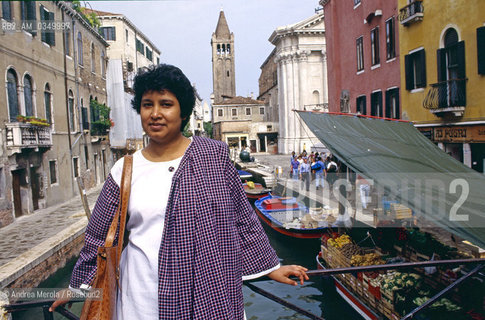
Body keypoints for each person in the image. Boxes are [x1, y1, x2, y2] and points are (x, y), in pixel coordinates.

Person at [50, 64, 308, 319]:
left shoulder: (213, 157)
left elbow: (242, 219)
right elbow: (97, 236)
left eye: (166, 104)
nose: (155, 113)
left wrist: (269, 268)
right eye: (147, 104)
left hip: (210, 292)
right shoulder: (125, 169)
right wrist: (76, 288)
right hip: (143, 297)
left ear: (183, 111)